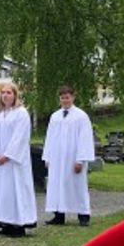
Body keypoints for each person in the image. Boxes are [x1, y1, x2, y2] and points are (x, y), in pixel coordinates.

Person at [42, 85, 95, 227]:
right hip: (58, 159)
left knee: (77, 186)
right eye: (62, 98)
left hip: (73, 158)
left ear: (73, 97)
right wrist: (47, 157)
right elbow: (50, 138)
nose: (65, 100)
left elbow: (84, 139)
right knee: (57, 185)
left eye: (67, 97)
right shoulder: (55, 117)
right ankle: (58, 214)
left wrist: (80, 159)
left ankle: (83, 215)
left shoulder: (81, 116)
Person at [0, 83, 37, 237]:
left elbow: (20, 137)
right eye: (3, 92)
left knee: (16, 190)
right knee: (2, 191)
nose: (5, 95)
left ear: (15, 95)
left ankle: (18, 223)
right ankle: (4, 221)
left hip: (14, 161)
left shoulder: (21, 113)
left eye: (9, 92)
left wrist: (8, 155)